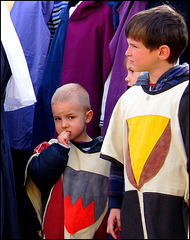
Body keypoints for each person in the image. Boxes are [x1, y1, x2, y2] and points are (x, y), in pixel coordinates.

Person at [100, 5, 189, 239]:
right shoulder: (129, 98)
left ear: (162, 52)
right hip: (132, 209)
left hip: (174, 211)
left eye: (134, 46)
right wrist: (115, 205)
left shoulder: (185, 95)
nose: (127, 52)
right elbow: (118, 160)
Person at [25, 83, 111, 239]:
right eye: (58, 119)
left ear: (88, 116)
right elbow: (38, 174)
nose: (64, 124)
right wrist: (59, 151)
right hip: (57, 230)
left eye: (71, 117)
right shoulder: (52, 148)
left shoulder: (105, 153)